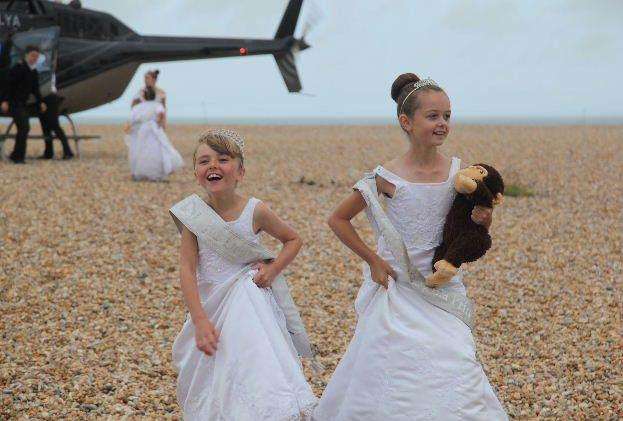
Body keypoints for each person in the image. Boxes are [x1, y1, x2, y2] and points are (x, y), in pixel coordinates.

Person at [313, 73, 507, 420]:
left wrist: (483, 220)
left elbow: (470, 225)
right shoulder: (386, 176)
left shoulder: (460, 173)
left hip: (443, 287)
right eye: (433, 116)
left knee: (454, 356)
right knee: (390, 363)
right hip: (397, 289)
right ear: (406, 121)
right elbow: (338, 220)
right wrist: (372, 259)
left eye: (447, 115)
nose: (442, 123)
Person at [169, 129, 317, 419]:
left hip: (249, 302)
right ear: (196, 173)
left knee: (253, 361)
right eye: (204, 161)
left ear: (240, 171)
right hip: (211, 304)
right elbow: (187, 268)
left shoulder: (255, 210)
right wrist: (199, 320)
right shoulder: (193, 216)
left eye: (223, 159)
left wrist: (273, 270)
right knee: (214, 369)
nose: (213, 166)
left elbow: (293, 239)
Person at [124, 86, 183, 181]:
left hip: (143, 129)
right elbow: (161, 113)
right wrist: (159, 122)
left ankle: (141, 172)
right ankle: (157, 173)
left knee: (141, 149)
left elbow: (131, 119)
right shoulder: (157, 105)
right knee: (157, 149)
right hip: (154, 128)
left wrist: (128, 128)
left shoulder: (138, 107)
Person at [1, 45, 46, 164]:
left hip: (22, 103)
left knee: (24, 128)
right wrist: (4, 101)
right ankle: (18, 157)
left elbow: (35, 89)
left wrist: (41, 101)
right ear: (26, 55)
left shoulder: (34, 71)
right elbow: (8, 85)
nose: (34, 58)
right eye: (32, 56)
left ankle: (16, 155)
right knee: (24, 127)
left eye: (36, 56)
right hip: (13, 103)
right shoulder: (18, 68)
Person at [37, 55, 74, 160]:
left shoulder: (47, 70)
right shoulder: (44, 69)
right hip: (43, 97)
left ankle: (67, 151)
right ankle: (49, 152)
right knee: (46, 126)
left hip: (50, 97)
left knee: (54, 125)